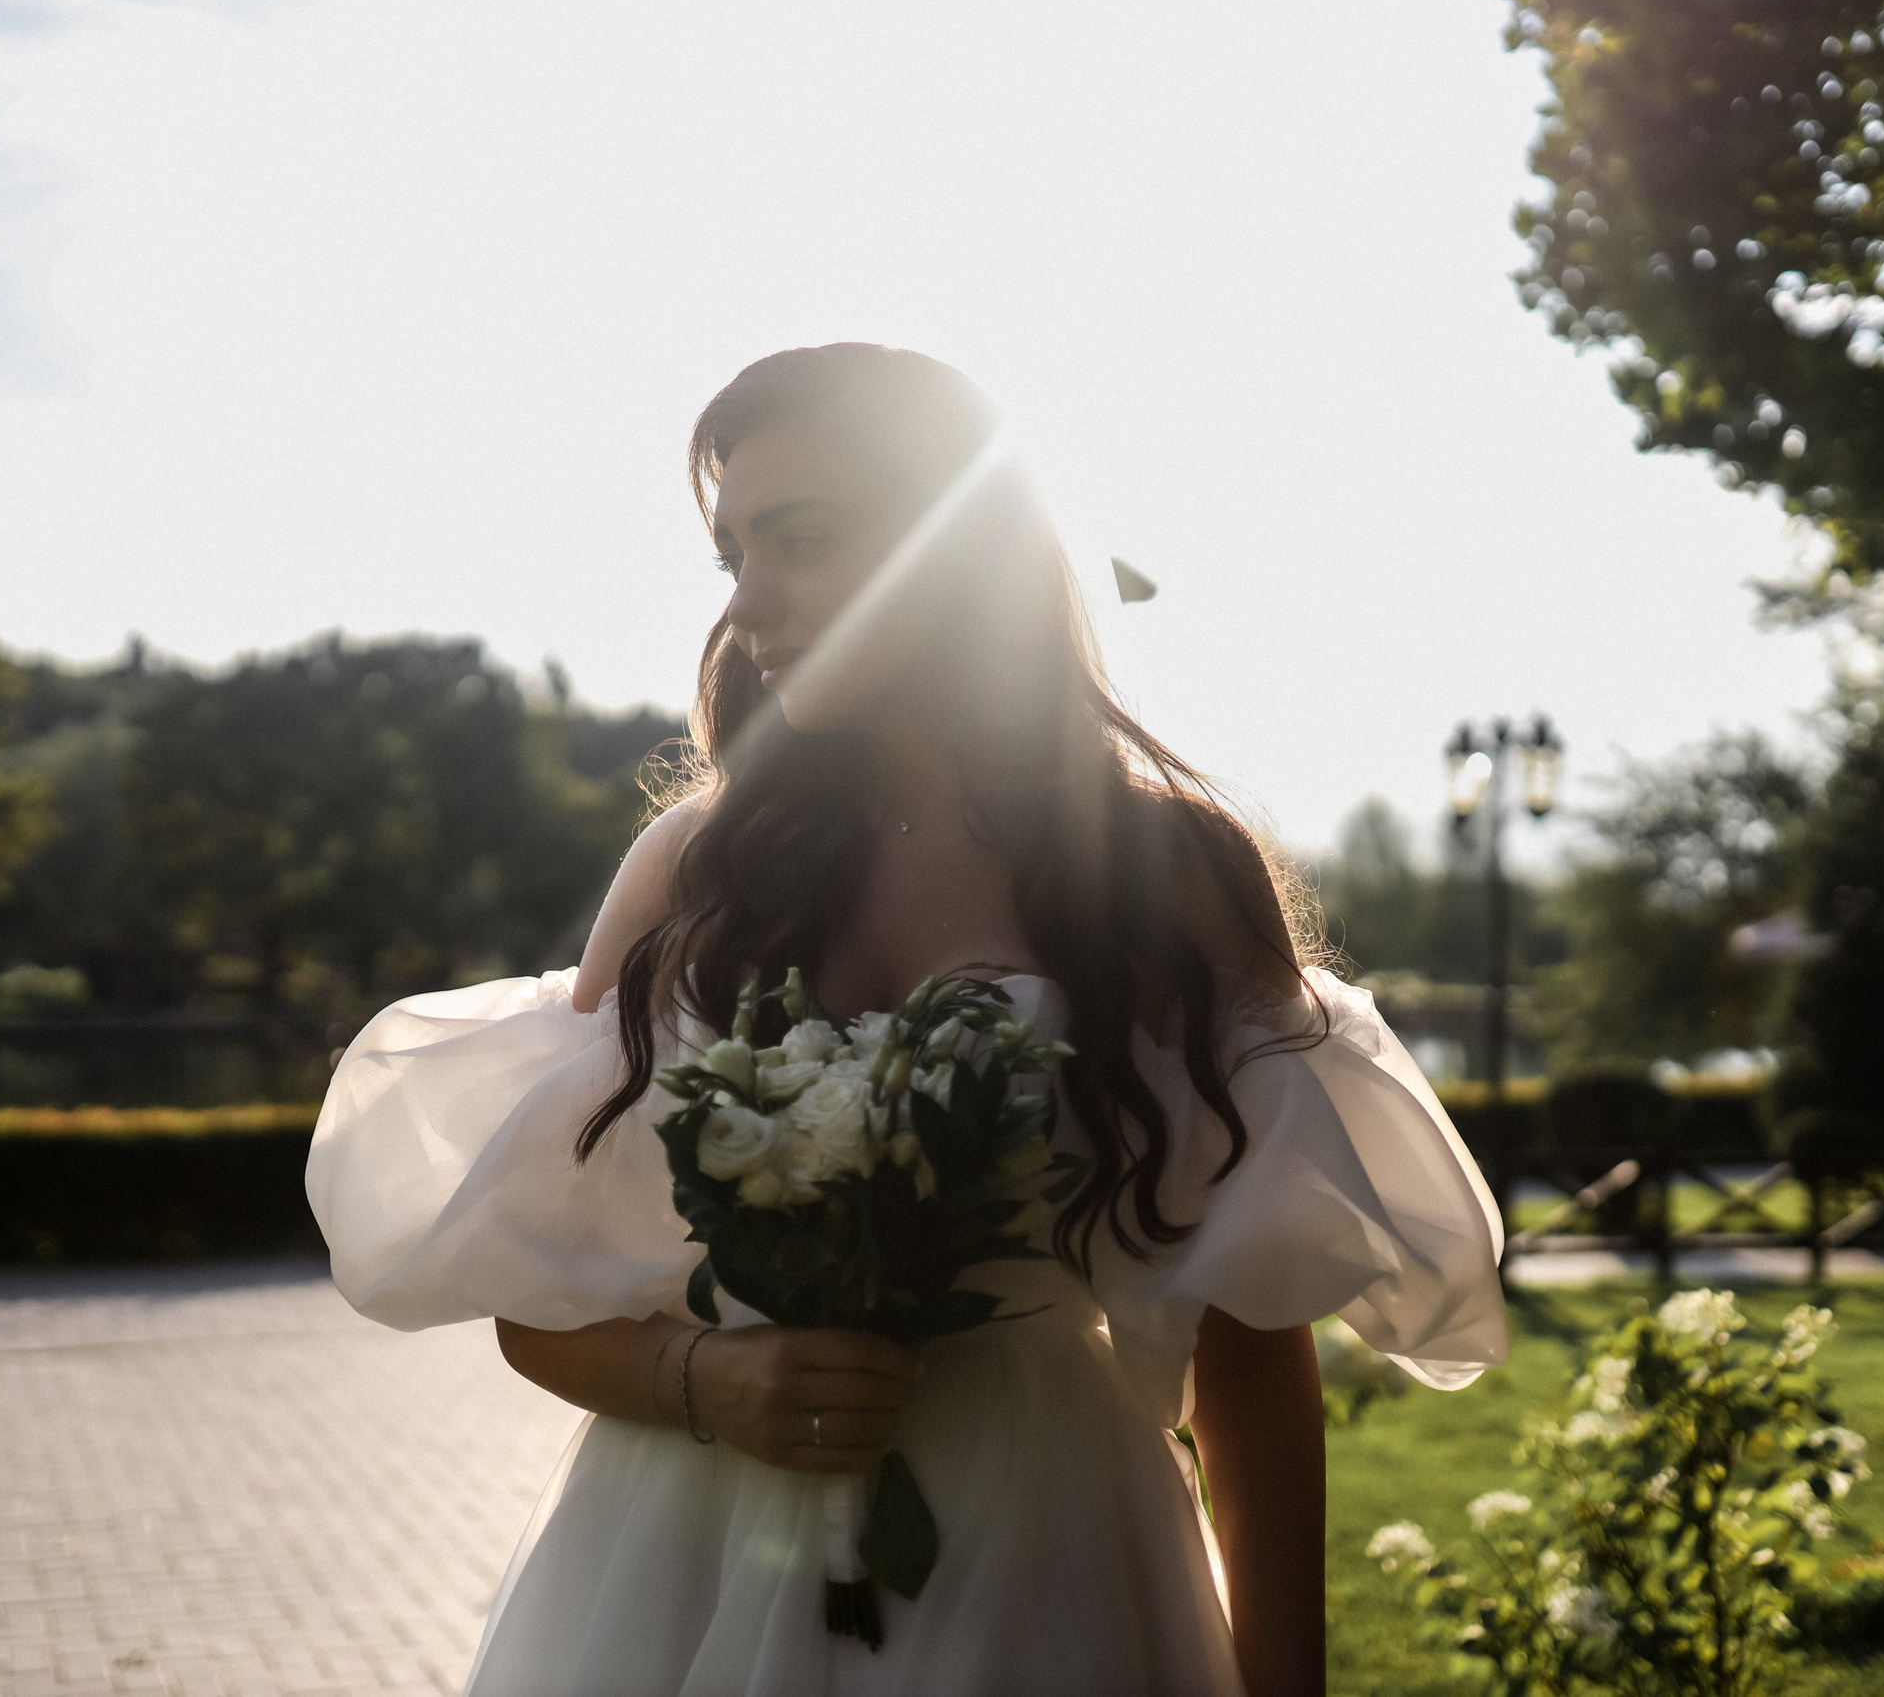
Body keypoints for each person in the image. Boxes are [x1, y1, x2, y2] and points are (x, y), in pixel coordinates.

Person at [307, 344, 1509, 1697]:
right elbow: (538, 1300)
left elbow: (1248, 1345)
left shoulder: (1167, 870)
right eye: (732, 556)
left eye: (801, 540)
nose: (751, 602)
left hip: (1047, 1548)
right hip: (689, 1560)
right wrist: (708, 1382)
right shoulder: (696, 871)